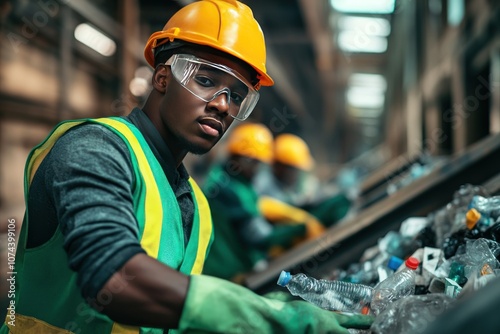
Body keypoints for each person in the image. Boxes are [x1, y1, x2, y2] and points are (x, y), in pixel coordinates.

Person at [1, 1, 373, 333]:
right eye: (207, 80)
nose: (223, 105)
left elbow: (181, 307)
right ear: (163, 77)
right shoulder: (94, 149)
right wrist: (268, 318)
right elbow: (112, 277)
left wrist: (284, 307)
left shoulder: (196, 205)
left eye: (237, 96)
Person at [201, 122, 310, 282]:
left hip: (230, 268)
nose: (258, 169)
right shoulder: (227, 187)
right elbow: (259, 238)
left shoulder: (238, 182)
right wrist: (300, 228)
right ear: (243, 159)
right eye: (255, 162)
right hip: (223, 273)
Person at [255, 133, 352, 228]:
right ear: (280, 166)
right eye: (294, 170)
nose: (296, 174)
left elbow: (310, 193)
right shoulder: (263, 185)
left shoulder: (296, 183)